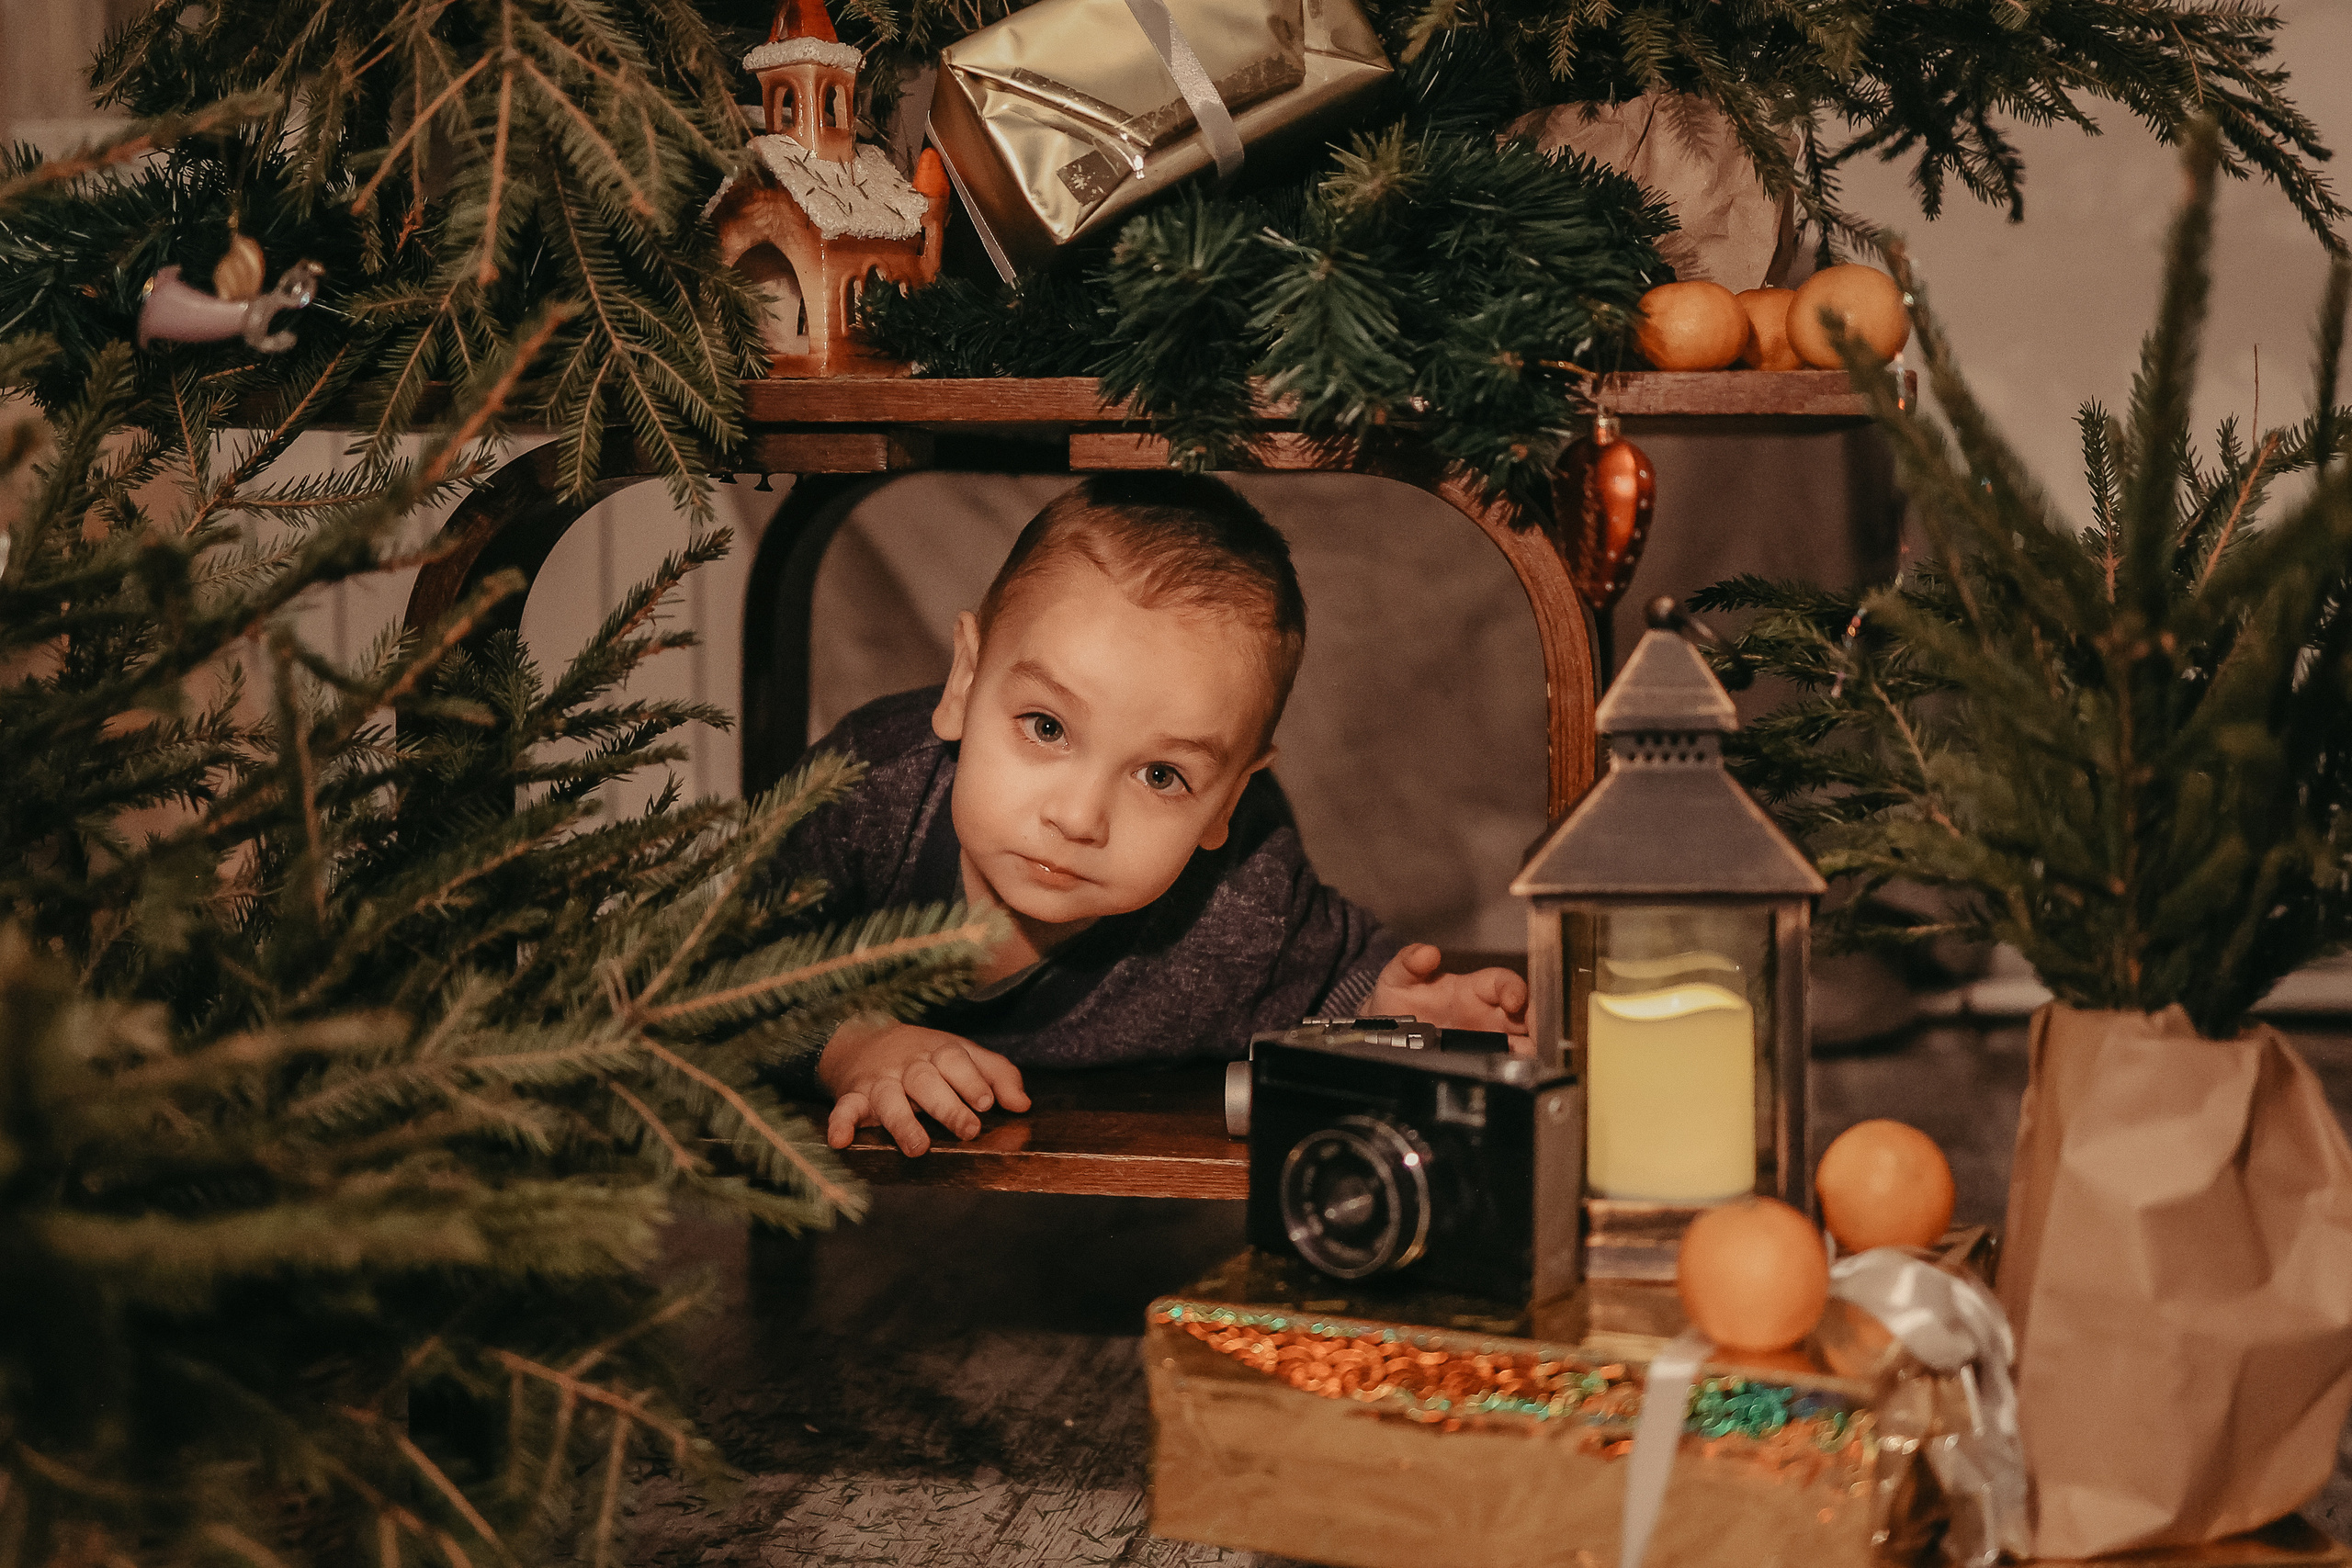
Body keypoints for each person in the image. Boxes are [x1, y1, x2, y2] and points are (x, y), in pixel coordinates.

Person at [789, 471, 1531, 1156]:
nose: (1080, 816)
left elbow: (1331, 974)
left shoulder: (1239, 902)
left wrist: (1386, 1013)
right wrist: (851, 1046)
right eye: (1047, 727)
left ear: (1229, 801)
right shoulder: (867, 794)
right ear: (965, 681)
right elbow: (702, 972)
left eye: (1160, 774)